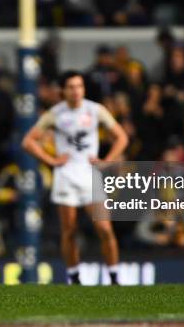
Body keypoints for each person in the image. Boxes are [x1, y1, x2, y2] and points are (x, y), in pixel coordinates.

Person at [22, 71, 128, 285]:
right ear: (63, 90)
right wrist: (50, 161)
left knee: (104, 228)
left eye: (79, 86)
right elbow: (28, 141)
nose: (76, 90)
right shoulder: (55, 114)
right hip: (67, 175)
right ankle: (74, 277)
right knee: (70, 230)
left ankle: (115, 277)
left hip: (90, 174)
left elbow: (122, 137)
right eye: (71, 87)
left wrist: (107, 160)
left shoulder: (95, 110)